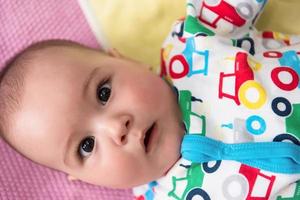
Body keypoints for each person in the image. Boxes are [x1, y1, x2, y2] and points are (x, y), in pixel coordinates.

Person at [0, 0, 300, 199]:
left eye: (104, 93)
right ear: (86, 181)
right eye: (86, 146)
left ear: (126, 60)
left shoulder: (193, 44)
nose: (116, 128)